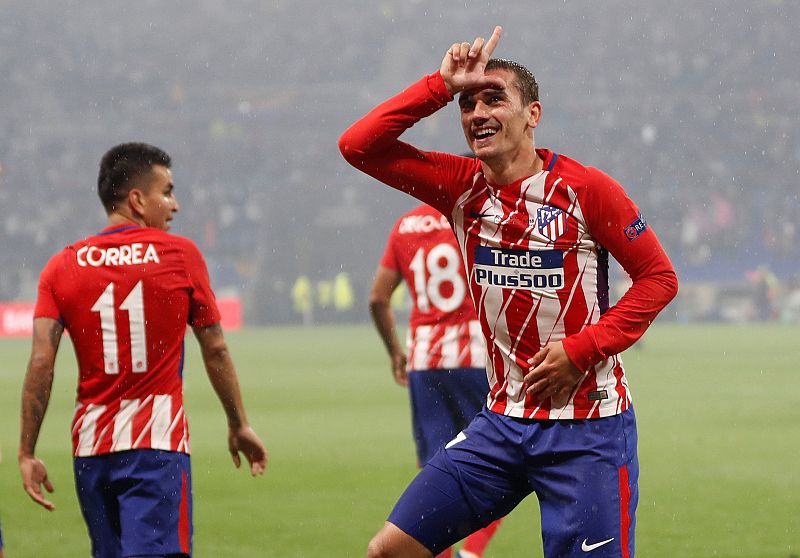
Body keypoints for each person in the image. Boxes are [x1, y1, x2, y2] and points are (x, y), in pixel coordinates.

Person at [340, 26, 678, 558]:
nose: (477, 113)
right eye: (467, 104)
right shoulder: (459, 186)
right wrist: (439, 86)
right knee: (389, 550)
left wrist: (582, 349)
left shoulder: (586, 189)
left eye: (494, 99)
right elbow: (357, 145)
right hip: (502, 421)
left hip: (587, 428)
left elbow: (659, 278)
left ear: (532, 115)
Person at [19, 142, 268, 558]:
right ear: (136, 200)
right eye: (166, 192)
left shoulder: (61, 266)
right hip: (155, 446)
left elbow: (42, 361)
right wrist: (238, 423)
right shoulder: (180, 255)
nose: (175, 205)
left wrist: (27, 451)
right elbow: (216, 350)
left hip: (91, 451)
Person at [370, 203, 502, 558]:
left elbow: (378, 297)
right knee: (500, 461)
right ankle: (472, 552)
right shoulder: (477, 212)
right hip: (475, 355)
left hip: (426, 358)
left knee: (436, 470)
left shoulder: (406, 224)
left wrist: (395, 352)